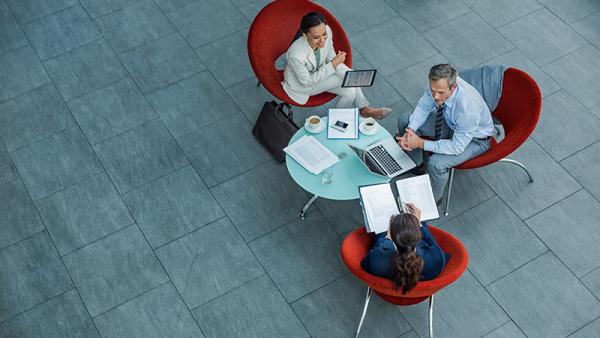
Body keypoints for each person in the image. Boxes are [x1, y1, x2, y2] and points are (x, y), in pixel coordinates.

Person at [396, 64, 494, 204]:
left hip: (475, 139)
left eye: (440, 93)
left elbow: (456, 147)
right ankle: (417, 164)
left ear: (453, 87)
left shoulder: (468, 109)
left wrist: (419, 143)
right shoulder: (437, 84)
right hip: (451, 123)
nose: (435, 96)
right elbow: (424, 107)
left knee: (436, 164)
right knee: (405, 121)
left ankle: (434, 199)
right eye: (432, 90)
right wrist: (411, 130)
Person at [282, 12, 391, 119]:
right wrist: (338, 67)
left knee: (350, 92)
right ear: (305, 35)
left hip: (319, 72)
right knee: (348, 81)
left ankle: (335, 122)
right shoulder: (295, 54)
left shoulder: (327, 31)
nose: (322, 40)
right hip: (301, 85)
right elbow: (307, 82)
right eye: (316, 37)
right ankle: (364, 109)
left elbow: (331, 58)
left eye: (324, 34)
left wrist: (337, 65)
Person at [361, 204, 449, 293]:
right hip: (419, 295)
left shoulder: (375, 260)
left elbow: (365, 264)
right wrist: (418, 223)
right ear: (419, 236)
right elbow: (432, 243)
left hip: (385, 292)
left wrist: (387, 237)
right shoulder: (437, 259)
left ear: (392, 236)